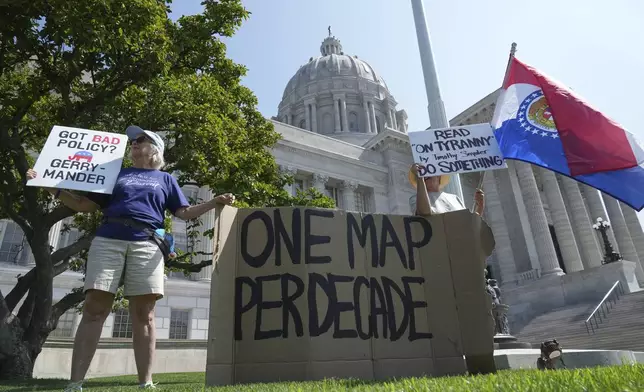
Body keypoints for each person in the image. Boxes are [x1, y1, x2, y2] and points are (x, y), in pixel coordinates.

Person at [26, 125, 235, 391]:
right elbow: (82, 204)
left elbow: (183, 212)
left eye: (141, 140)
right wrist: (48, 186)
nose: (134, 143)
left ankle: (145, 382)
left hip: (146, 245)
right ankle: (75, 383)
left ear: (155, 150)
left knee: (144, 314)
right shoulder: (116, 174)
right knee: (94, 308)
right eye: (133, 141)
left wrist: (213, 202)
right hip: (108, 240)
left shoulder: (165, 179)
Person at [408, 163, 485, 216]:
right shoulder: (415, 199)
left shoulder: (455, 198)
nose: (425, 174)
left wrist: (480, 206)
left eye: (429, 171)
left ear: (439, 176)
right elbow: (424, 213)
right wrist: (420, 178)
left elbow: (469, 224)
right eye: (422, 172)